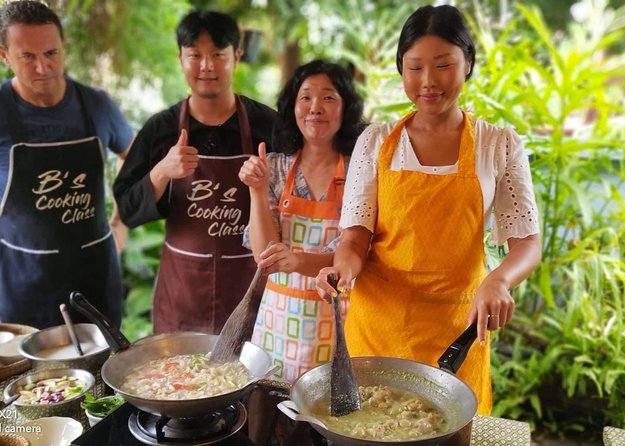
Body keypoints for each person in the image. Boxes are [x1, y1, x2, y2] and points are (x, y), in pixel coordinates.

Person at [315, 4, 542, 415]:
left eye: (443, 65)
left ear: (467, 64)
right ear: (401, 68)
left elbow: (526, 243)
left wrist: (499, 280)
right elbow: (354, 236)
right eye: (414, 67)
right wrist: (341, 269)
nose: (428, 82)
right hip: (376, 330)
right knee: (369, 429)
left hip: (457, 333)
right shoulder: (375, 141)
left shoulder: (499, 144)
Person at [113, 10, 277, 334]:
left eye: (217, 54)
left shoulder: (267, 126)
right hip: (182, 296)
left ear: (237, 56)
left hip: (249, 289)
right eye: (195, 55)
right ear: (180, 59)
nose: (207, 66)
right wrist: (161, 172)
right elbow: (128, 209)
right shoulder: (161, 129)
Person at [239, 59, 365, 446]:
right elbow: (265, 255)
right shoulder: (275, 167)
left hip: (337, 322)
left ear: (346, 108)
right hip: (277, 324)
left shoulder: (361, 169)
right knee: (269, 426)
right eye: (305, 97)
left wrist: (299, 260)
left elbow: (358, 246)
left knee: (326, 428)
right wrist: (257, 191)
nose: (315, 107)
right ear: (292, 108)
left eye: (329, 97)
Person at [0, 1, 133, 329]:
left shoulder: (97, 106)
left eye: (51, 53)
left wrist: (121, 224)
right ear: (5, 56)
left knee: (103, 374)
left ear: (64, 48)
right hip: (21, 284)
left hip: (96, 279)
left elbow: (133, 158)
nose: (42, 67)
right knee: (33, 381)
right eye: (27, 57)